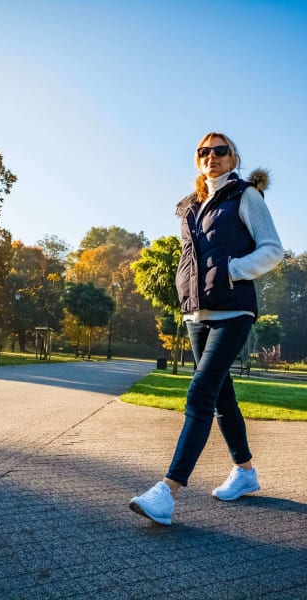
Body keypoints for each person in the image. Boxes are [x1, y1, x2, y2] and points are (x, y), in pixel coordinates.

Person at [129, 132, 284, 525]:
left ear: (233, 158)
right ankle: (245, 472)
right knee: (220, 397)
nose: (211, 156)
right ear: (197, 160)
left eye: (220, 151)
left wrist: (233, 271)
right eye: (204, 151)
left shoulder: (245, 195)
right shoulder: (190, 207)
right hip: (197, 314)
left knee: (199, 393)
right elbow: (190, 259)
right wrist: (185, 296)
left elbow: (272, 249)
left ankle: (167, 492)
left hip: (233, 310)